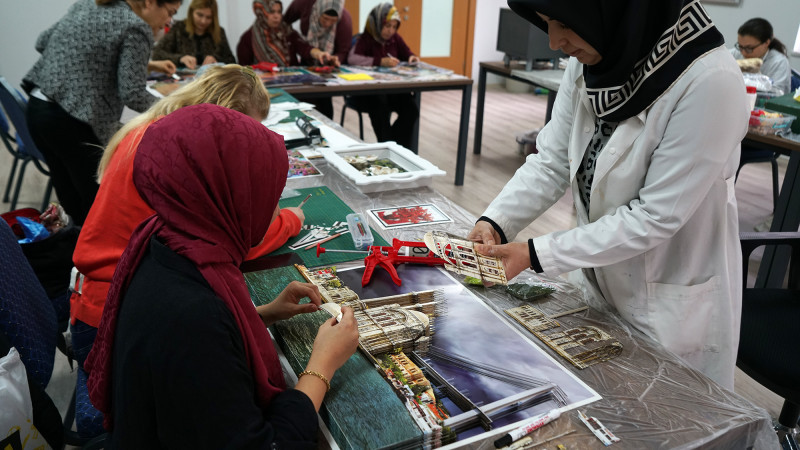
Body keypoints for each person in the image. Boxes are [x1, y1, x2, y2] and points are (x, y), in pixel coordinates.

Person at [468, 0, 749, 389]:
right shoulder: (593, 60)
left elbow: (654, 217)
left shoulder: (709, 80)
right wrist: (495, 222)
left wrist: (534, 253)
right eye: (548, 23)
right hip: (602, 283)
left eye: (565, 22)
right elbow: (552, 161)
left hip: (668, 302)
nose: (554, 41)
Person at [84, 104, 359, 445]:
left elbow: (205, 354)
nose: (274, 209)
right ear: (227, 195)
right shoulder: (193, 314)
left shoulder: (162, 237)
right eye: (268, 194)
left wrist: (263, 314)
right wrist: (323, 365)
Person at [69, 65, 306, 381]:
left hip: (99, 306)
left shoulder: (150, 131)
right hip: (115, 325)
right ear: (225, 119)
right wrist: (289, 222)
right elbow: (224, 247)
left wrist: (260, 315)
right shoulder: (184, 161)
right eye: (248, 133)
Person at [23, 0, 181, 226]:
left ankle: (74, 255)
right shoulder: (136, 27)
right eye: (170, 12)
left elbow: (43, 42)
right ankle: (94, 257)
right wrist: (177, 107)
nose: (169, 21)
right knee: (97, 208)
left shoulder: (87, 4)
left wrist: (149, 65)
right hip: (72, 121)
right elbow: (134, 93)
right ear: (148, 3)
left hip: (38, 109)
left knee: (72, 201)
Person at [347, 3, 420, 148]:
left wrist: (412, 57)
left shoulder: (395, 39)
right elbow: (352, 58)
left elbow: (408, 53)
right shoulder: (366, 39)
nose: (390, 31)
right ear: (377, 23)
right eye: (387, 26)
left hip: (392, 90)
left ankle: (394, 147)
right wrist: (379, 61)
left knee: (411, 110)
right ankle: (390, 147)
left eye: (394, 27)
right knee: (380, 109)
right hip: (370, 93)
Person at [283, 0, 353, 118]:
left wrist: (335, 59)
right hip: (307, 60)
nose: (327, 23)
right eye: (325, 18)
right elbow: (284, 22)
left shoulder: (344, 20)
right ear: (317, 12)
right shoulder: (304, 4)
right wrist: (295, 42)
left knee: (324, 104)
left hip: (327, 66)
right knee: (304, 101)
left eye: (333, 21)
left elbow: (343, 51)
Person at [237, 0, 338, 67]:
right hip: (265, 88)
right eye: (271, 12)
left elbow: (303, 47)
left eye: (279, 12)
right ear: (261, 13)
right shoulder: (248, 38)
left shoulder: (287, 31)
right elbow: (245, 70)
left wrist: (319, 53)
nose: (276, 16)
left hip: (292, 83)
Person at [151, 0, 236, 70]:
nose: (203, 21)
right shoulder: (178, 28)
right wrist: (181, 58)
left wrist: (216, 60)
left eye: (208, 17)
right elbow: (156, 54)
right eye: (200, 15)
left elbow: (232, 61)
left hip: (211, 82)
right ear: (191, 12)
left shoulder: (219, 32)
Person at [731, 18, 792, 95]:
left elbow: (777, 94)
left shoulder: (779, 62)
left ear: (766, 42)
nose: (743, 53)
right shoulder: (736, 53)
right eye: (740, 46)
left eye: (749, 48)